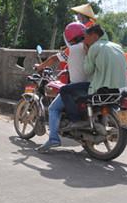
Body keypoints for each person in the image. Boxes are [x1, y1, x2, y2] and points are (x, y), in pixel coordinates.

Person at [62, 24, 127, 129]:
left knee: (64, 90)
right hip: (120, 89)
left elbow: (88, 70)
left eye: (86, 37)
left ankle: (76, 120)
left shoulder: (94, 47)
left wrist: (87, 53)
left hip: (101, 89)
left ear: (94, 36)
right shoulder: (117, 46)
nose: (84, 40)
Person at [34, 22, 88, 151]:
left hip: (78, 87)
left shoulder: (72, 49)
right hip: (93, 86)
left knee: (53, 108)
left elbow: (54, 58)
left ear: (69, 36)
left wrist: (40, 66)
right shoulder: (89, 47)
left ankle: (53, 139)